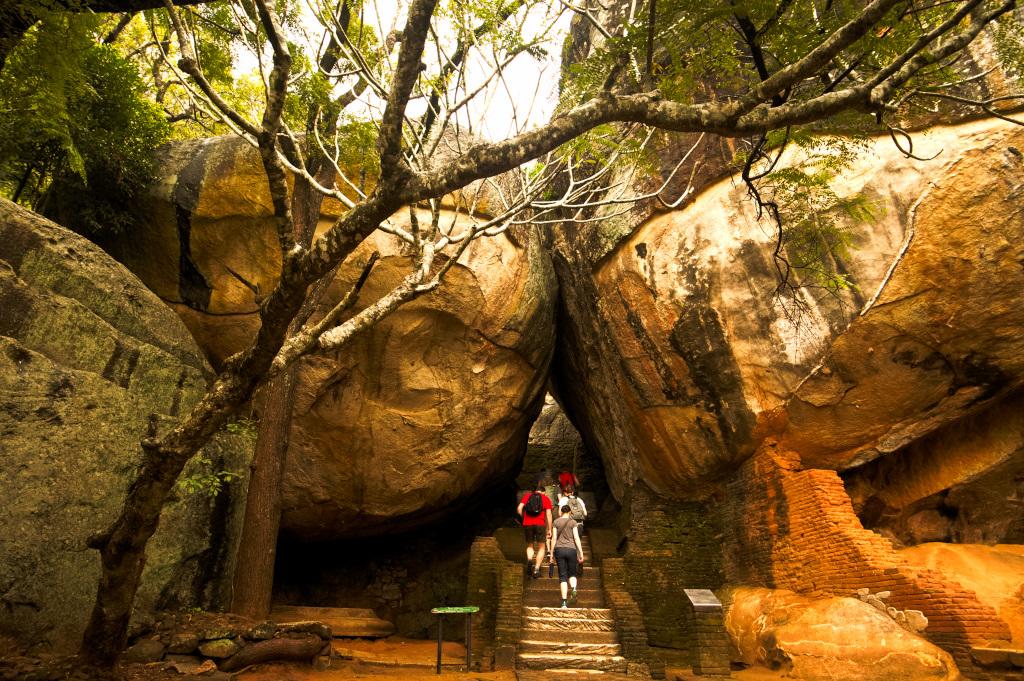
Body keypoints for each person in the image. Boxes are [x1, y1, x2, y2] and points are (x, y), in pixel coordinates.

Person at [517, 478, 553, 578]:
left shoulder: (527, 496)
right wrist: (550, 529)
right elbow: (549, 514)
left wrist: (523, 519)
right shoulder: (546, 498)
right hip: (540, 524)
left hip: (527, 523)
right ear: (543, 492)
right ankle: (536, 569)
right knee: (541, 547)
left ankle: (529, 560)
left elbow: (519, 508)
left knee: (530, 545)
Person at [551, 503, 585, 608]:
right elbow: (576, 538)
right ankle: (573, 588)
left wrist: (551, 553)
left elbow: (554, 538)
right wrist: (581, 552)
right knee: (572, 574)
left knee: (563, 576)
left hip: (559, 550)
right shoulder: (573, 522)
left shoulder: (556, 522)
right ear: (570, 512)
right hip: (571, 549)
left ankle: (564, 603)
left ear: (561, 512)